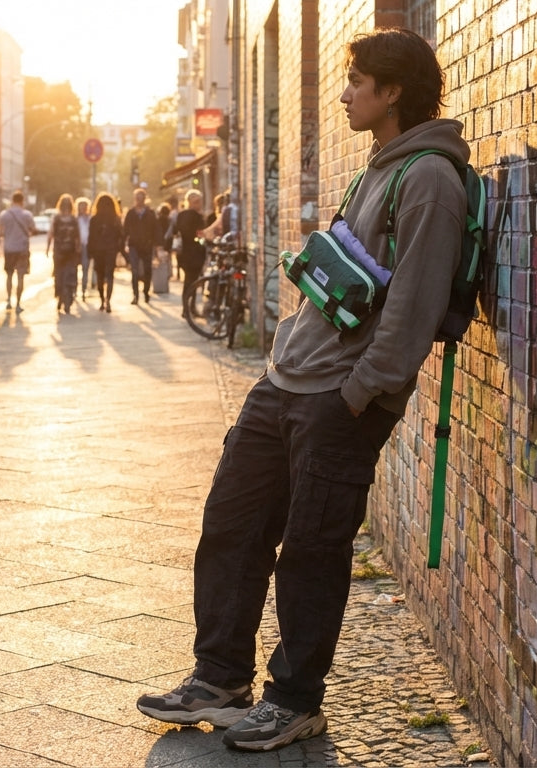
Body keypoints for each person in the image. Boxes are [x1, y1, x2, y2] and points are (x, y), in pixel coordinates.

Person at [135, 27, 470, 752]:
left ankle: (295, 699)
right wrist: (284, 359)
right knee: (232, 524)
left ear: (394, 91)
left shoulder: (431, 181)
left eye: (357, 82)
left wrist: (359, 395)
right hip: (286, 381)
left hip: (337, 400)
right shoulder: (376, 168)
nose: (345, 93)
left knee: (313, 553)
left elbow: (412, 311)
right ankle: (221, 678)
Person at [0, 191, 37, 313]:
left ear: (12, 200)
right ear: (22, 201)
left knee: (9, 275)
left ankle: (8, 300)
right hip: (22, 249)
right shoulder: (27, 215)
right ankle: (18, 303)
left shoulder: (4, 215)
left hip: (9, 249)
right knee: (20, 277)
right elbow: (33, 230)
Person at [171, 190, 209, 317]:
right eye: (196, 202)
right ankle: (189, 308)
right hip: (194, 254)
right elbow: (199, 233)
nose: (199, 204)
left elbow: (176, 231)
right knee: (191, 282)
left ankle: (188, 308)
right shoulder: (195, 216)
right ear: (190, 202)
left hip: (184, 254)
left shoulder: (181, 215)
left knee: (189, 281)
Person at [87, 193, 124, 313]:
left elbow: (91, 237)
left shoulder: (94, 219)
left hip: (99, 251)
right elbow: (120, 235)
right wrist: (119, 249)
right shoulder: (115, 219)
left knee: (100, 276)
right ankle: (108, 300)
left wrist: (90, 251)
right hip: (110, 250)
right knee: (110, 276)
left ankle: (102, 300)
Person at [122, 188, 159, 305]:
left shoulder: (150, 213)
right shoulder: (131, 213)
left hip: (147, 245)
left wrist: (158, 245)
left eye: (141, 197)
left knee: (147, 270)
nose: (139, 200)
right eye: (137, 197)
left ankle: (146, 292)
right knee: (135, 270)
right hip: (134, 245)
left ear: (144, 198)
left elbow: (156, 229)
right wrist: (123, 243)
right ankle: (135, 295)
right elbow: (125, 230)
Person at [46, 194, 80, 314]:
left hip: (59, 251)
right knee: (70, 274)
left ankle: (59, 296)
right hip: (71, 251)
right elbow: (77, 237)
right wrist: (78, 250)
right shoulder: (74, 219)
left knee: (58, 274)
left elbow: (51, 234)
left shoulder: (56, 218)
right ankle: (68, 299)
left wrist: (47, 247)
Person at [75, 197, 92, 301]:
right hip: (77, 246)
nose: (83, 208)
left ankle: (84, 290)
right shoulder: (75, 219)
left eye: (84, 206)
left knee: (85, 268)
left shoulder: (90, 219)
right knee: (75, 269)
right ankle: (74, 289)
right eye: (81, 206)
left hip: (87, 246)